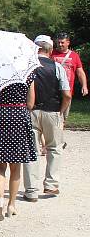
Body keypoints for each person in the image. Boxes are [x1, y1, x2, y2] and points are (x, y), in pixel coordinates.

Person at [0, 70, 37, 222]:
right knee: (16, 167)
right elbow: (31, 103)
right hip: (20, 117)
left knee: (0, 166)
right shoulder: (29, 74)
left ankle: (0, 198)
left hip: (2, 116)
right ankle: (11, 205)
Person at [23, 35, 71, 201]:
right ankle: (51, 185)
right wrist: (61, 112)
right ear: (50, 50)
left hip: (31, 112)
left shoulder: (26, 67)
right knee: (54, 148)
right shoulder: (58, 67)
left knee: (32, 151)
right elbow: (67, 94)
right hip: (52, 111)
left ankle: (31, 191)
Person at [51, 32, 88, 117]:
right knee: (52, 116)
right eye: (58, 42)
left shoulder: (74, 55)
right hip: (52, 90)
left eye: (62, 42)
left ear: (68, 42)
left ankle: (62, 126)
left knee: (63, 116)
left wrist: (84, 86)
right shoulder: (51, 53)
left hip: (67, 90)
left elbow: (80, 72)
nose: (60, 44)